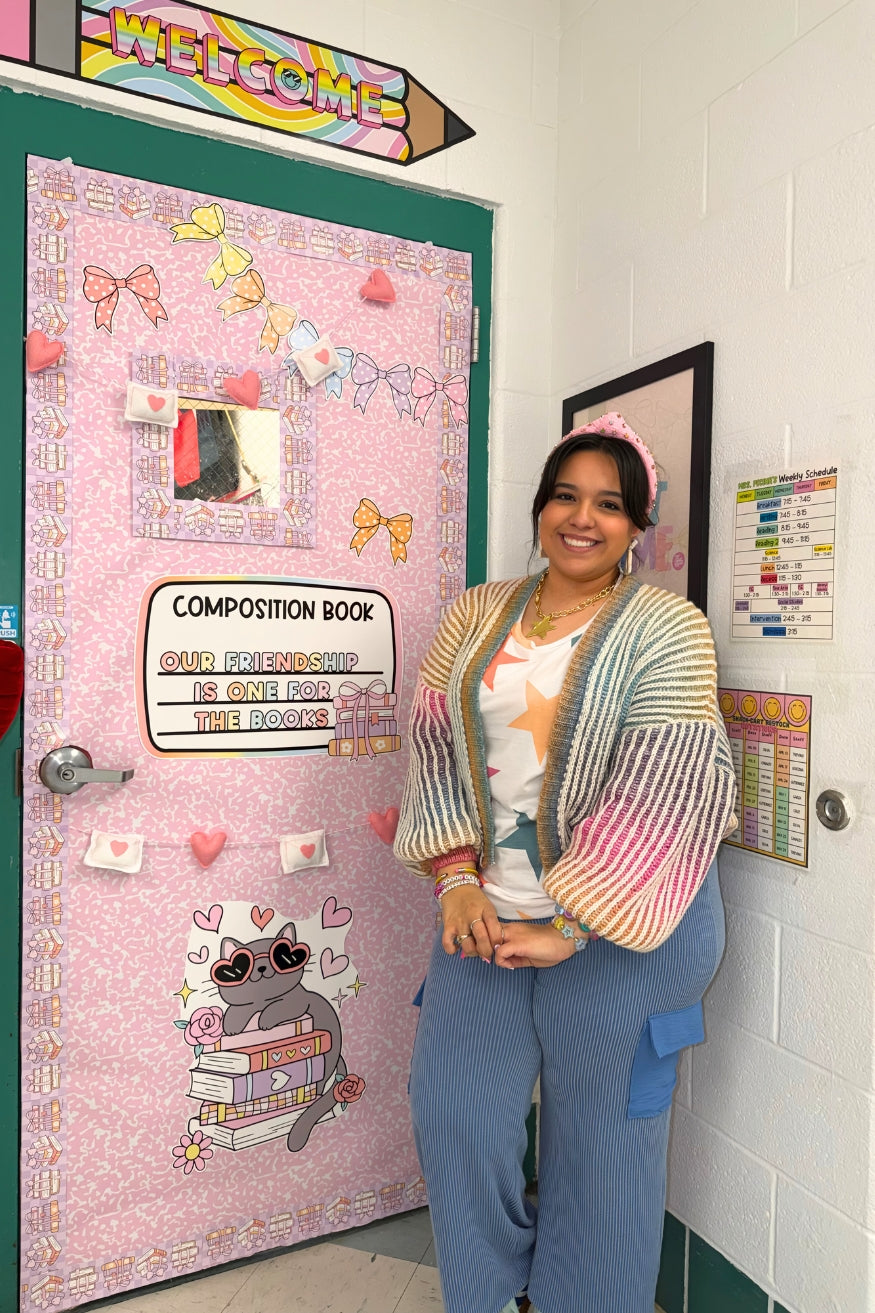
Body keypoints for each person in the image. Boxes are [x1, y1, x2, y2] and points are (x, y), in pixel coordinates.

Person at [394, 412, 737, 1313]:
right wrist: (454, 877)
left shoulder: (667, 628)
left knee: (604, 1148)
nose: (582, 518)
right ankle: (490, 1295)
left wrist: (573, 925)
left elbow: (668, 785)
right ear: (541, 507)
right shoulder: (475, 613)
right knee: (455, 1114)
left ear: (637, 524)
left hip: (626, 930)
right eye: (565, 496)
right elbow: (432, 747)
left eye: (609, 504)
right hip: (486, 916)